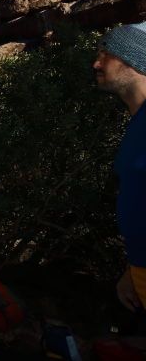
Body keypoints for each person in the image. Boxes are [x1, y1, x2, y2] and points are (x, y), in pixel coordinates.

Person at [92, 21, 146, 313]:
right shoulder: (137, 123)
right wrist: (133, 270)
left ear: (136, 60)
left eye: (106, 54)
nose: (96, 63)